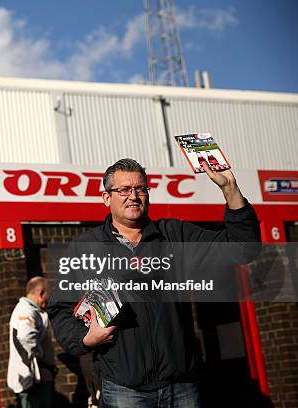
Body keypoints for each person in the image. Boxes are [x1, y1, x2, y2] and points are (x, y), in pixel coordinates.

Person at [48, 158, 261, 407]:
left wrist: (230, 188)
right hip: (124, 389)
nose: (133, 196)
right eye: (124, 190)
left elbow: (243, 249)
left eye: (140, 189)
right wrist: (85, 339)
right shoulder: (84, 249)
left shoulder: (174, 235)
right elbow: (60, 309)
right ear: (107, 198)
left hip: (182, 387)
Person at [7, 276, 57, 408]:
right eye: (48, 294)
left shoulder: (32, 310)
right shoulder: (26, 311)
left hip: (37, 378)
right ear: (41, 292)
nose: (48, 299)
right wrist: (42, 359)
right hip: (33, 381)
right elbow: (25, 337)